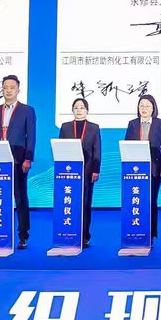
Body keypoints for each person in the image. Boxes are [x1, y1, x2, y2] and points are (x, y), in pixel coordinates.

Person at [0, 74, 37, 249]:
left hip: (18, 161)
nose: (8, 90)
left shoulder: (27, 110)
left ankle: (23, 235)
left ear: (18, 90)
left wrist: (28, 158)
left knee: (20, 197)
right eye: (5, 87)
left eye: (12, 87)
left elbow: (31, 136)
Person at [124, 93, 161, 239]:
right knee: (137, 199)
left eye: (147, 106)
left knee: (151, 200)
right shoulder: (132, 124)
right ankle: (136, 230)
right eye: (141, 106)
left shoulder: (160, 124)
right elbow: (127, 146)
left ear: (153, 108)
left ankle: (151, 233)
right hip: (135, 170)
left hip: (154, 169)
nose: (144, 108)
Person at [60, 97, 102, 248]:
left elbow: (97, 151)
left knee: (85, 203)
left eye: (82, 107)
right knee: (69, 202)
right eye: (76, 107)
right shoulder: (65, 127)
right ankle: (69, 233)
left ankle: (85, 235)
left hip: (87, 171)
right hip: (69, 172)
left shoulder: (93, 127)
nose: (79, 110)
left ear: (87, 111)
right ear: (72, 110)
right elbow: (60, 148)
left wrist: (96, 170)